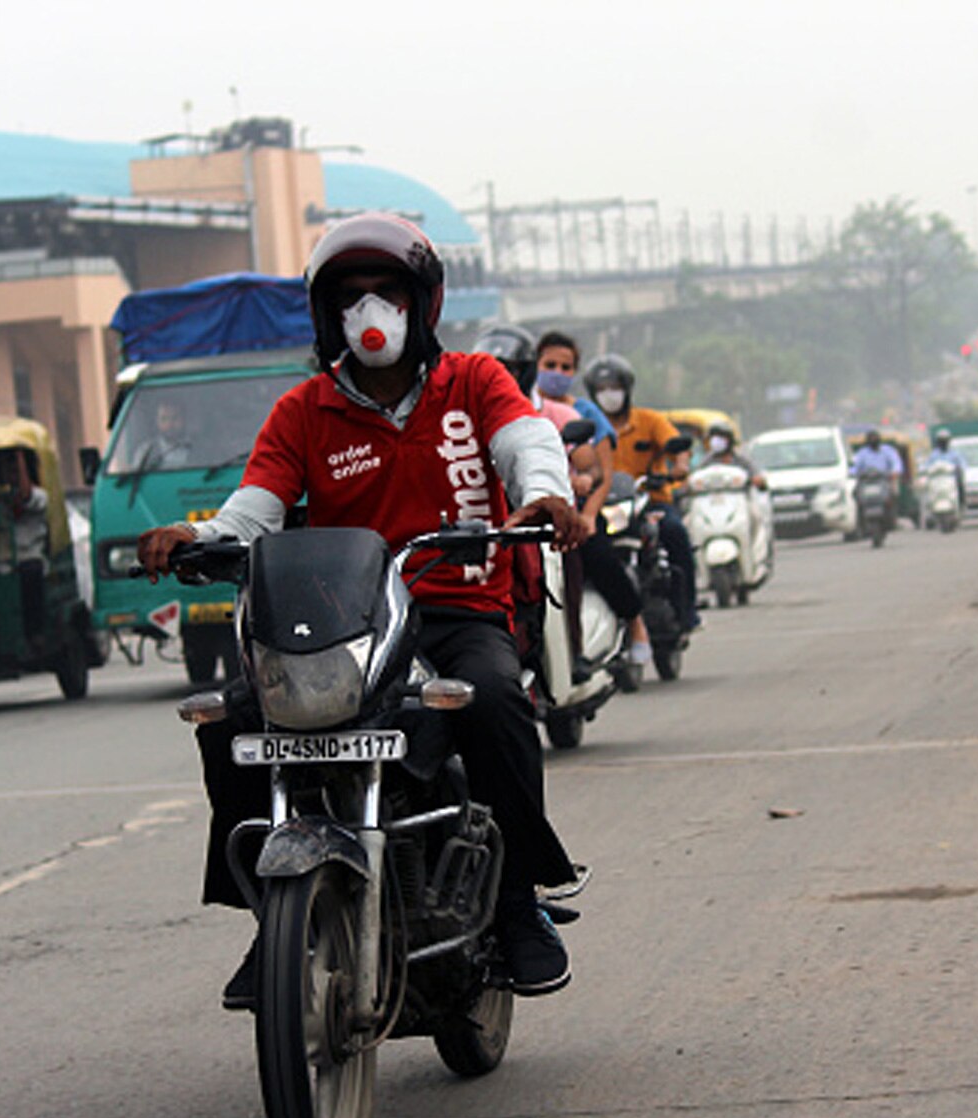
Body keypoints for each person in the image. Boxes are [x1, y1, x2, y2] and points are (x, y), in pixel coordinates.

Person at [139, 213, 588, 1007]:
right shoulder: (303, 411)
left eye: (387, 293)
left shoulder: (476, 381)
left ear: (422, 304)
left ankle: (518, 903)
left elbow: (526, 443)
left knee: (493, 704)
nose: (370, 312)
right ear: (327, 314)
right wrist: (196, 537)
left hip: (454, 609)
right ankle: (272, 920)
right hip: (345, 623)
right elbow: (254, 513)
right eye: (351, 296)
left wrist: (545, 495)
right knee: (233, 724)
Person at [476, 326, 651, 675]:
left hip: (557, 516)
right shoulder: (464, 413)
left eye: (511, 368)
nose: (503, 376)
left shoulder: (561, 414)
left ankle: (577, 647)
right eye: (496, 367)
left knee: (580, 554)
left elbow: (594, 468)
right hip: (495, 516)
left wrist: (577, 490)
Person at [586, 353, 702, 632]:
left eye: (614, 387)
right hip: (604, 506)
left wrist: (680, 466)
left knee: (674, 532)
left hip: (650, 503)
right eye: (601, 389)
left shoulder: (650, 420)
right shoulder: (587, 423)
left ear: (627, 388)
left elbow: (676, 444)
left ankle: (687, 610)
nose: (609, 395)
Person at [0, 449, 49, 640]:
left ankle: (35, 633)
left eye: (15, 472)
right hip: (3, 559)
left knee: (30, 575)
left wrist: (19, 458)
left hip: (29, 557)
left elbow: (25, 496)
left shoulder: (39, 496)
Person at [850, 429, 903, 526]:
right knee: (854, 493)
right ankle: (859, 520)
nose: (873, 441)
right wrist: (852, 473)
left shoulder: (888, 450)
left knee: (894, 492)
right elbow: (855, 467)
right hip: (867, 481)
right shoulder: (862, 453)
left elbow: (896, 463)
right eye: (871, 439)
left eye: (875, 439)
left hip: (884, 480)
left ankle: (894, 516)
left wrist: (895, 472)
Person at [701, 423, 767, 489]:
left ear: (730, 439)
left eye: (720, 437)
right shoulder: (707, 461)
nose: (716, 441)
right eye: (713, 438)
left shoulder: (741, 459)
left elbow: (759, 479)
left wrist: (758, 480)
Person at [137, 398, 196, 470]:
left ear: (184, 419)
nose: (169, 424)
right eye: (164, 419)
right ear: (157, 422)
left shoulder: (199, 448)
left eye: (175, 418)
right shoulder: (145, 451)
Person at [924, 427, 966, 509]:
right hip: (936, 479)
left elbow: (962, 464)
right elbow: (927, 465)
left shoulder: (954, 454)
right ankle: (927, 507)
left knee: (960, 483)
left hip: (951, 479)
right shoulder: (934, 455)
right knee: (924, 487)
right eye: (941, 441)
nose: (943, 443)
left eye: (945, 441)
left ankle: (961, 504)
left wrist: (958, 469)